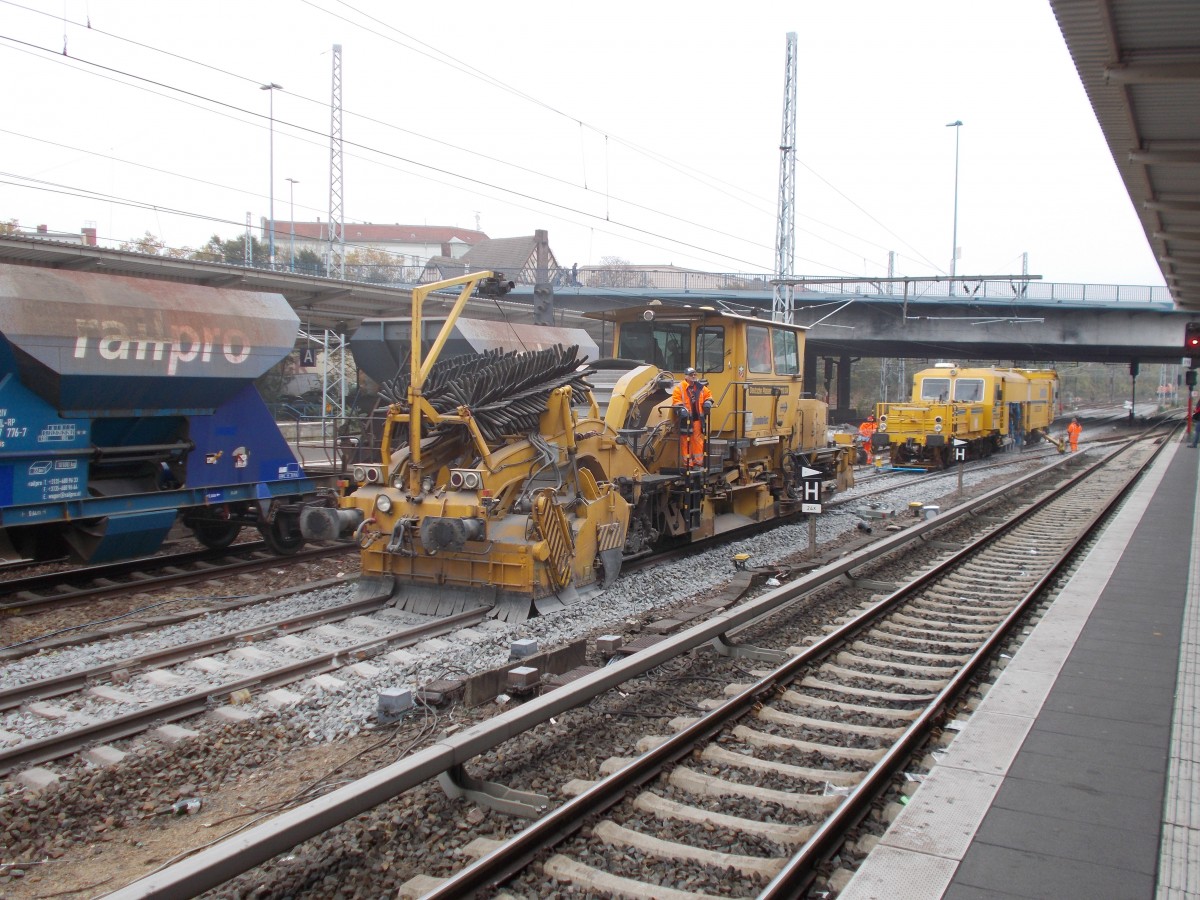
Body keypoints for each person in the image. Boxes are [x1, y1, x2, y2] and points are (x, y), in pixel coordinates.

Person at [671, 367, 713, 468]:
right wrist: (681, 410)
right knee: (685, 440)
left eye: (695, 374)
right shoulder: (679, 388)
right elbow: (676, 401)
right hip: (685, 419)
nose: (693, 376)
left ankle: (698, 462)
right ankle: (688, 464)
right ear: (686, 376)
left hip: (697, 419)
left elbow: (709, 396)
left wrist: (707, 403)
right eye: (691, 375)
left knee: (697, 440)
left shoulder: (700, 387)